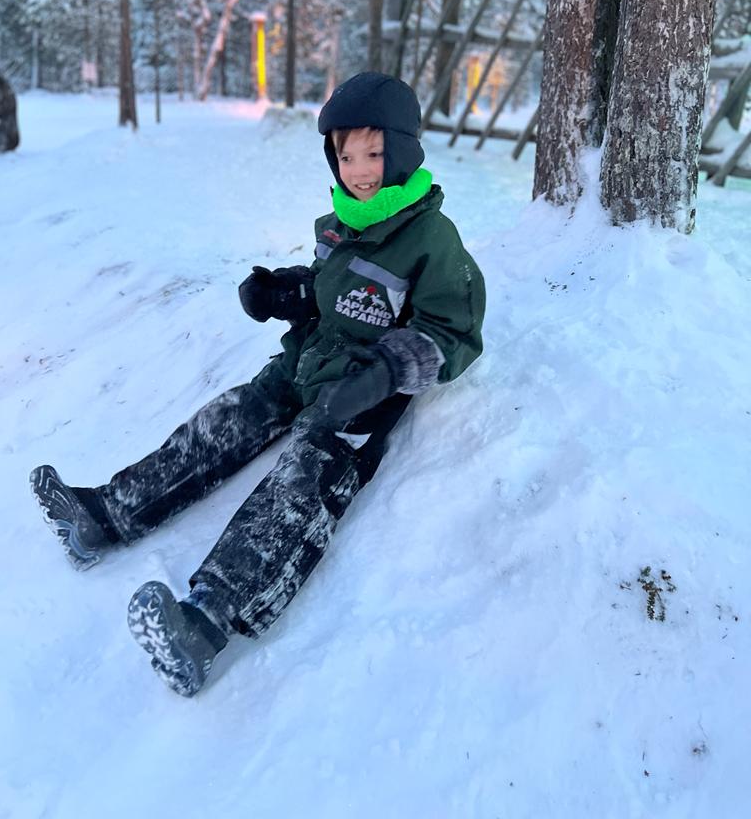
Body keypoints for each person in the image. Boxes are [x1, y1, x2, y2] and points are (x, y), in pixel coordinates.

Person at [30, 72, 486, 696]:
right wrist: (287, 293)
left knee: (298, 484)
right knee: (227, 418)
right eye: (346, 154)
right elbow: (331, 292)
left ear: (404, 150)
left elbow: (453, 333)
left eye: (375, 153)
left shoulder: (433, 239)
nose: (359, 169)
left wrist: (382, 375)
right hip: (307, 363)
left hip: (362, 395)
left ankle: (204, 624)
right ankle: (105, 514)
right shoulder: (337, 222)